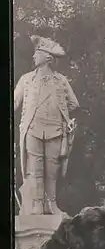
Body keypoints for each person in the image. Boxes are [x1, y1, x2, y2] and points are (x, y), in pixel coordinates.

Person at [14, 35, 79, 215]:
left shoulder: (61, 80)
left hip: (55, 129)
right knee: (35, 167)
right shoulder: (26, 79)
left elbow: (74, 103)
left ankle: (51, 204)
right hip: (32, 128)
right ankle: (36, 204)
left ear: (47, 58)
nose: (34, 57)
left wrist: (62, 115)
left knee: (52, 169)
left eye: (37, 53)